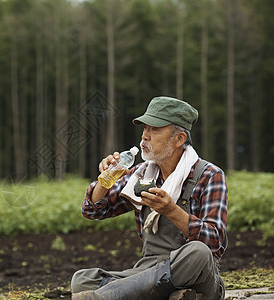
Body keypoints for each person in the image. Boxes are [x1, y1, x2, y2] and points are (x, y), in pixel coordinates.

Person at [71, 96, 228, 300]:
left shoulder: (209, 175)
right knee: (82, 279)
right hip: (148, 269)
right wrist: (105, 179)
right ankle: (167, 294)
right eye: (145, 128)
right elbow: (92, 211)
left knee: (198, 252)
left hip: (196, 274)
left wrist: (172, 210)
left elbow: (215, 242)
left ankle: (110, 296)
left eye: (154, 129)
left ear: (179, 139)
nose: (145, 136)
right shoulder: (141, 174)